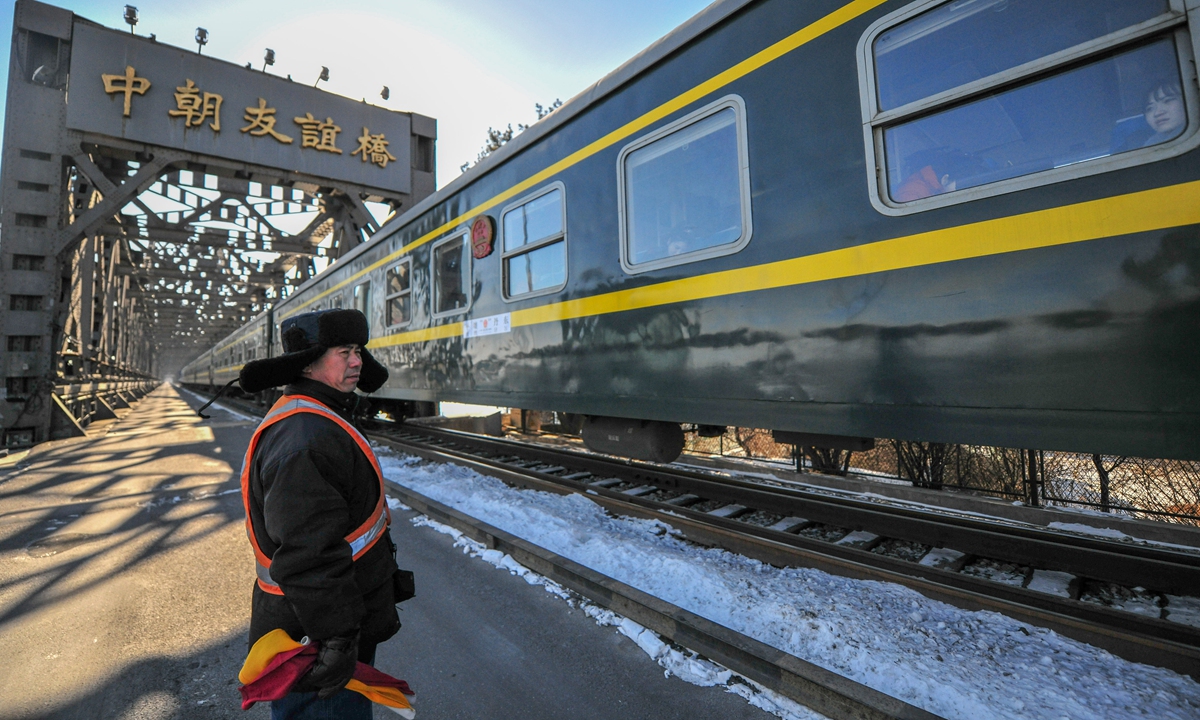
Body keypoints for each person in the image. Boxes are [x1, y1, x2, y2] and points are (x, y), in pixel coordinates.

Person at [236, 308, 399, 720]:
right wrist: (338, 639)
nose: (357, 361)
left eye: (358, 351)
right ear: (309, 363)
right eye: (343, 352)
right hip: (313, 639)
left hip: (318, 626)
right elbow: (308, 554)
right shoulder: (304, 438)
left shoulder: (315, 418)